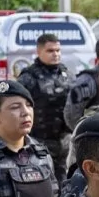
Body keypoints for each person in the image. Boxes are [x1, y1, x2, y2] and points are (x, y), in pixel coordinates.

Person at [16, 32, 73, 178]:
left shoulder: (66, 74)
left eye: (58, 50)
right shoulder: (28, 77)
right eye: (50, 51)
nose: (55, 54)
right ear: (39, 51)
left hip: (64, 143)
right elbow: (15, 106)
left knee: (63, 186)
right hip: (38, 143)